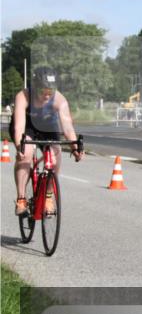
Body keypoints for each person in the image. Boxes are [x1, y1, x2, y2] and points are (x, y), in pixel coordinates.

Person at [9, 67, 84, 215]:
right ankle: (21, 198)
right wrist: (20, 148)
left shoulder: (60, 99)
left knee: (56, 155)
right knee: (27, 154)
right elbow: (19, 127)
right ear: (35, 87)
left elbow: (68, 128)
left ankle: (48, 196)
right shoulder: (23, 96)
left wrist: (75, 148)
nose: (47, 95)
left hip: (48, 127)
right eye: (43, 91)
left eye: (50, 91)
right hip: (27, 126)